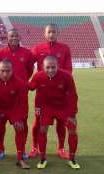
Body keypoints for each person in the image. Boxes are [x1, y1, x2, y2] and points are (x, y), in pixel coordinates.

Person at [29, 24, 72, 159]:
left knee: (61, 122)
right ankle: (34, 147)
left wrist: (58, 80)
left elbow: (69, 69)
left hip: (60, 93)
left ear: (57, 33)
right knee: (38, 121)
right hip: (42, 95)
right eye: (49, 32)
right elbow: (27, 62)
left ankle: (61, 148)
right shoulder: (38, 48)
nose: (52, 34)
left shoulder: (65, 48)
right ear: (44, 33)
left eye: (54, 31)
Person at [29, 56, 80, 169]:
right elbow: (29, 87)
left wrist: (72, 114)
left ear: (58, 66)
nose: (51, 70)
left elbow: (73, 95)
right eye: (48, 67)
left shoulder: (67, 76)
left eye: (53, 67)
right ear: (43, 67)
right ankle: (42, 158)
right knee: (42, 129)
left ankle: (72, 159)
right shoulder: (38, 76)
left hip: (63, 107)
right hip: (46, 107)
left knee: (72, 128)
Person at [0, 60, 30, 169]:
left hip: (12, 108)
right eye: (2, 71)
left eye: (8, 71)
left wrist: (19, 118)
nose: (5, 74)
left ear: (12, 71)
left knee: (20, 128)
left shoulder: (20, 83)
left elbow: (23, 104)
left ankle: (20, 158)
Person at [0, 28, 34, 160]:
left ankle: (22, 149)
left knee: (22, 122)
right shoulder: (0, 54)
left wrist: (22, 83)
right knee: (1, 122)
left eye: (16, 36)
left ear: (20, 37)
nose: (14, 38)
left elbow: (29, 70)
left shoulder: (27, 53)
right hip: (3, 94)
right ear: (7, 37)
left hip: (20, 94)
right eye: (11, 36)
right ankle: (0, 148)